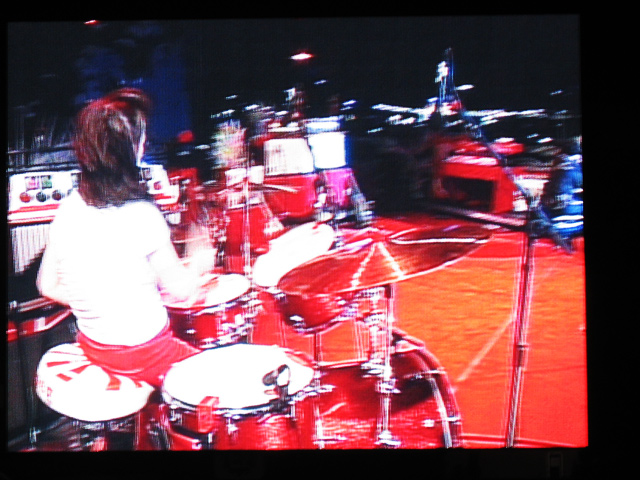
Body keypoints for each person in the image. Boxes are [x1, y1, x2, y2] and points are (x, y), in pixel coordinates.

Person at [37, 88, 215, 388]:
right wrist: (200, 261)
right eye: (141, 138)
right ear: (132, 149)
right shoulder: (143, 214)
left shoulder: (67, 209)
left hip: (93, 347)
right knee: (223, 382)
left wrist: (100, 302)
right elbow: (183, 291)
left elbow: (47, 285)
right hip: (148, 356)